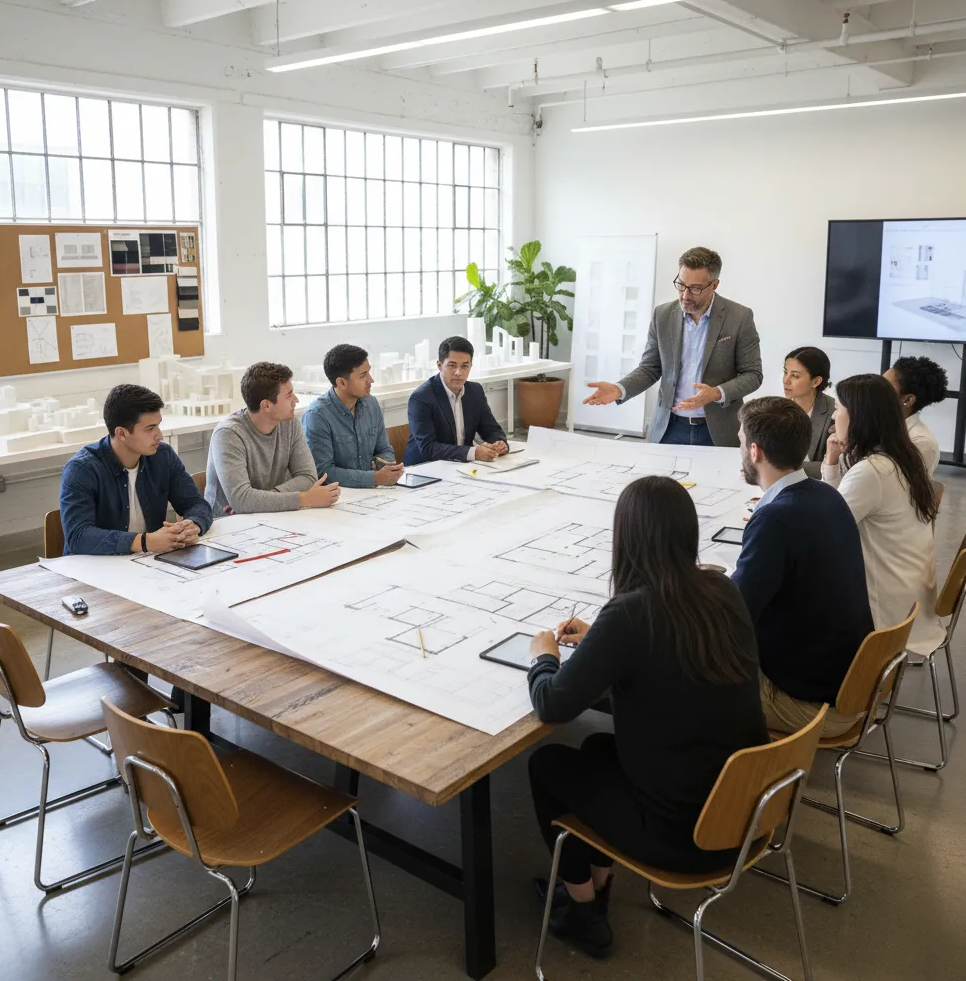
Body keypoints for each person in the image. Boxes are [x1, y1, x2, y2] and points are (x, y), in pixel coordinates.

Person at [525, 476, 769, 958]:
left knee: (546, 766)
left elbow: (553, 703)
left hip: (685, 834)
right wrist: (604, 643)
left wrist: (543, 657)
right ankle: (599, 885)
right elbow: (671, 665)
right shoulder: (720, 588)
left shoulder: (632, 614)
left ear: (626, 538)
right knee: (596, 749)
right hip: (746, 807)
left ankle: (582, 914)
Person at [732, 397, 873, 737]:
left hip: (811, 705)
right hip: (853, 685)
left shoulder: (775, 519)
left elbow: (732, 615)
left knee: (682, 675)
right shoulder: (827, 495)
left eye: (739, 441)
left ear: (755, 452)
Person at [582, 246, 762, 446]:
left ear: (714, 285)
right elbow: (650, 368)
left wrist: (717, 392)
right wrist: (619, 389)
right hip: (668, 428)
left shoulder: (739, 317)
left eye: (695, 288)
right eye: (681, 284)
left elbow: (753, 374)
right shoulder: (663, 315)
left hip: (718, 431)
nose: (685, 295)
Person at [822, 374, 943, 656]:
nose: (833, 419)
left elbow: (825, 527)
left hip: (885, 614)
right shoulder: (900, 456)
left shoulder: (873, 471)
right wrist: (831, 460)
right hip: (909, 600)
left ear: (858, 417)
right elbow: (834, 512)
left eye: (838, 409)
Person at [60, 384, 212, 556]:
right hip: (94, 568)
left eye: (158, 425)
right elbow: (78, 536)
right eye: (149, 429)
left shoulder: (163, 456)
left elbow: (196, 503)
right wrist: (145, 542)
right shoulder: (82, 469)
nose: (160, 436)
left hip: (146, 563)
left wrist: (194, 525)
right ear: (122, 433)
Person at [205, 361, 339, 515]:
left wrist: (260, 500)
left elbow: (308, 477)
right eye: (288, 395)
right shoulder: (228, 434)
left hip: (271, 515)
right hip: (228, 525)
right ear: (266, 405)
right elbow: (241, 500)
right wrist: (305, 499)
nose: (296, 400)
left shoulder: (290, 424)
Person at [304, 344, 403, 488]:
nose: (371, 380)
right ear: (342, 382)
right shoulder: (317, 415)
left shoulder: (371, 403)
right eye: (363, 376)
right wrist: (374, 478)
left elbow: (384, 450)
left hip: (375, 492)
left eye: (369, 372)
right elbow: (324, 473)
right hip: (339, 497)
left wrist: (385, 467)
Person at [403, 336, 509, 465]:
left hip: (461, 467)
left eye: (465, 366)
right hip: (425, 469)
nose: (459, 372)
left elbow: (491, 429)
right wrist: (473, 453)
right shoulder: (421, 398)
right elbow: (428, 448)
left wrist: (499, 443)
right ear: (439, 365)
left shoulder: (475, 391)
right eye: (452, 366)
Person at [884, 355, 948, 476]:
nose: (875, 390)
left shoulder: (921, 443)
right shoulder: (880, 426)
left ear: (908, 400)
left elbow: (893, 485)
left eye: (885, 387)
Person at [782, 346, 835, 478]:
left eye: (795, 375)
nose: (786, 380)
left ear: (816, 381)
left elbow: (834, 466)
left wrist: (784, 470)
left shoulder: (835, 413)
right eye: (785, 372)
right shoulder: (777, 410)